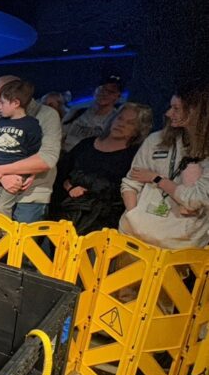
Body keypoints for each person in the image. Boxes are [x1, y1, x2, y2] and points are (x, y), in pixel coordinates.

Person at [119, 82, 209, 249]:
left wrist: (157, 178)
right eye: (170, 107)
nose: (168, 113)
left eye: (176, 109)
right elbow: (131, 182)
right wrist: (134, 217)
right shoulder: (155, 140)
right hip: (136, 236)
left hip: (180, 244)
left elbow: (195, 199)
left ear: (197, 111)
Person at [50, 103, 152, 234]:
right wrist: (69, 187)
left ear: (139, 130)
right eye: (120, 118)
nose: (121, 124)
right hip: (64, 216)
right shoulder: (86, 145)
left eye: (130, 123)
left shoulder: (135, 158)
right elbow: (61, 174)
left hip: (101, 227)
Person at [0, 75, 62, 223]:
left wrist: (2, 171)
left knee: (21, 243)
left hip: (31, 197)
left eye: (0, 101)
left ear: (15, 97)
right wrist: (1, 176)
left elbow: (47, 158)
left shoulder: (47, 115)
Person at [0, 80, 43, 217]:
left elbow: (35, 150)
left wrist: (30, 174)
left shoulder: (31, 124)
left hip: (15, 173)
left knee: (4, 206)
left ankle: (4, 236)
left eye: (2, 103)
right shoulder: (0, 121)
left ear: (16, 103)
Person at [62, 75, 123, 151]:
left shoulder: (117, 120)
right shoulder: (77, 112)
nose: (105, 93)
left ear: (118, 96)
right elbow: (60, 135)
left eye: (111, 92)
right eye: (102, 89)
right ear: (95, 91)